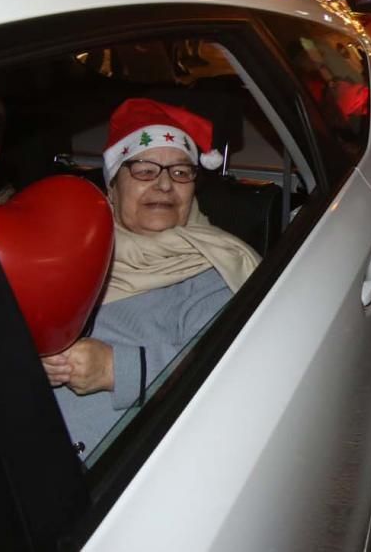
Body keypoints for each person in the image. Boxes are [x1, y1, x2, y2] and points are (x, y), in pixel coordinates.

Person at [42, 98, 260, 459]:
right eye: (144, 170)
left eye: (179, 172)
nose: (163, 186)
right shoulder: (71, 249)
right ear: (113, 186)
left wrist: (116, 369)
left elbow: (232, 374)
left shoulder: (215, 269)